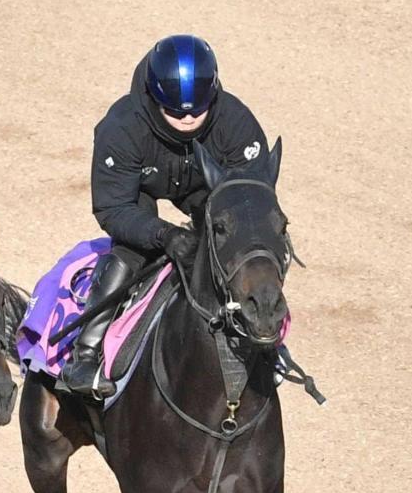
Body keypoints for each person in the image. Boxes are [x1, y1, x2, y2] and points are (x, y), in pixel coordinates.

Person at [60, 35, 270, 399]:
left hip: (206, 186)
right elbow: (113, 207)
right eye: (175, 112)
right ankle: (86, 354)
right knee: (132, 252)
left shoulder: (236, 123)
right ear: (156, 100)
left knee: (241, 246)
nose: (187, 118)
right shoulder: (122, 126)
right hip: (140, 189)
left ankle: (268, 344)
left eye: (197, 111)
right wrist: (164, 235)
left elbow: (253, 202)